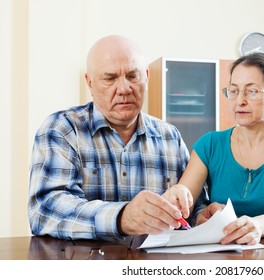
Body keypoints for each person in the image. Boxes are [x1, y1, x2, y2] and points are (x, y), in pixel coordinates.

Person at [28, 35, 206, 241]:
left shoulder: (170, 136)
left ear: (146, 77)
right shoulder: (63, 129)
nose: (124, 89)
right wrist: (121, 217)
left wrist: (202, 216)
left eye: (133, 76)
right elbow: (45, 210)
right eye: (110, 78)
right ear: (90, 82)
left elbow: (192, 206)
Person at [163, 52, 264, 245]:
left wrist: (258, 225)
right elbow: (186, 196)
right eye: (234, 91)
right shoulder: (209, 144)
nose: (240, 101)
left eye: (252, 91)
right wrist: (177, 195)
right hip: (220, 247)